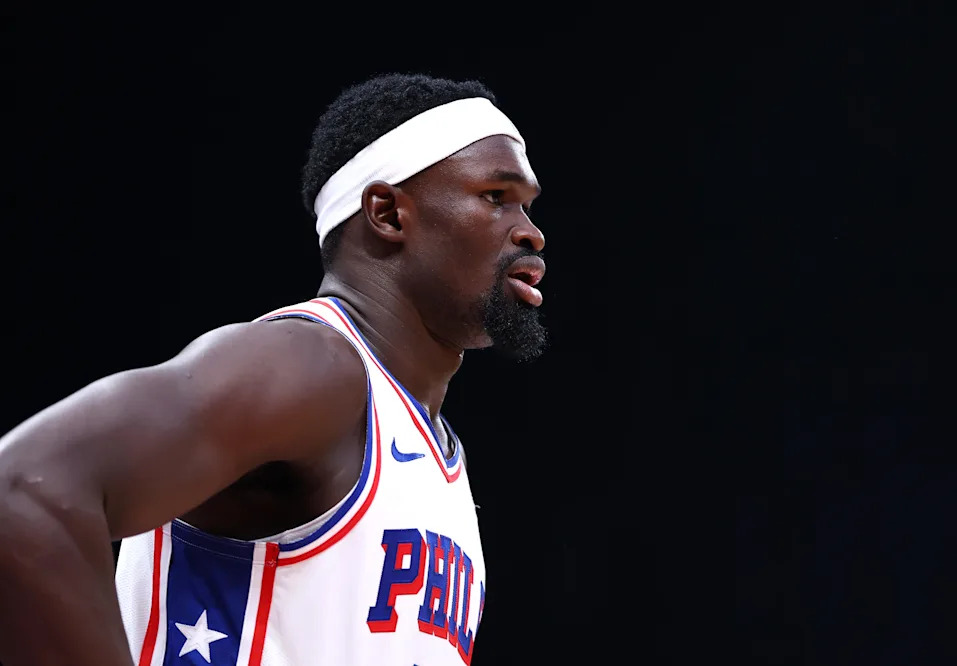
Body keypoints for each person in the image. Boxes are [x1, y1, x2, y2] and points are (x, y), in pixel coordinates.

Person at [0, 72, 547, 665]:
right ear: (388, 213)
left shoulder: (435, 455)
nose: (531, 233)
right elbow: (25, 490)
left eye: (527, 206)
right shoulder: (311, 367)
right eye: (495, 197)